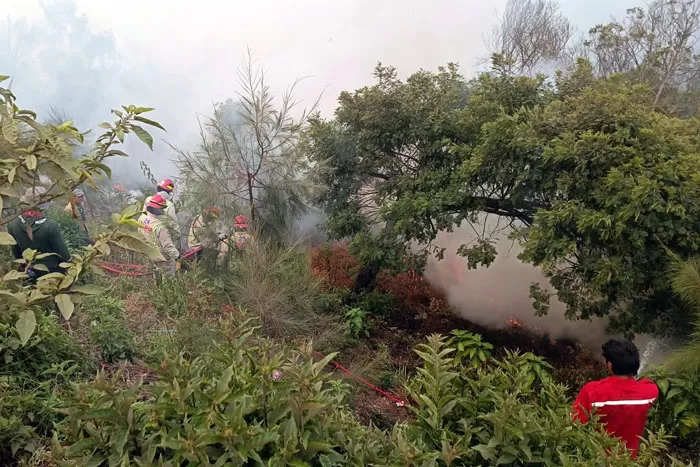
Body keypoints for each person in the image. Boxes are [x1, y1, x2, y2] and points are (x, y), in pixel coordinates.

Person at [572, 339, 658, 458]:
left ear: (610, 365)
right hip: (628, 461)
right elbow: (647, 383)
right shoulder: (649, 392)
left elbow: (575, 424)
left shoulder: (591, 391)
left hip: (597, 460)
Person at [8, 187, 71, 281]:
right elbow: (63, 254)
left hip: (28, 270)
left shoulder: (13, 224)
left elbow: (16, 251)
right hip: (52, 272)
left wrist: (23, 265)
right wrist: (70, 267)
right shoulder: (50, 226)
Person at [137, 194, 180, 276]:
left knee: (156, 272)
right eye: (162, 208)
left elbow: (139, 233)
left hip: (149, 252)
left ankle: (157, 285)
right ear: (157, 209)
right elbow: (167, 246)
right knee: (169, 275)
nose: (163, 211)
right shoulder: (160, 226)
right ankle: (166, 287)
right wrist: (177, 256)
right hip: (162, 256)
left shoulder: (142, 217)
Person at [144, 179, 181, 251]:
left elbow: (144, 214)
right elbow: (173, 223)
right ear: (169, 192)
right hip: (161, 235)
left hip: (147, 231)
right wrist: (178, 235)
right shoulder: (169, 205)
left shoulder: (148, 199)